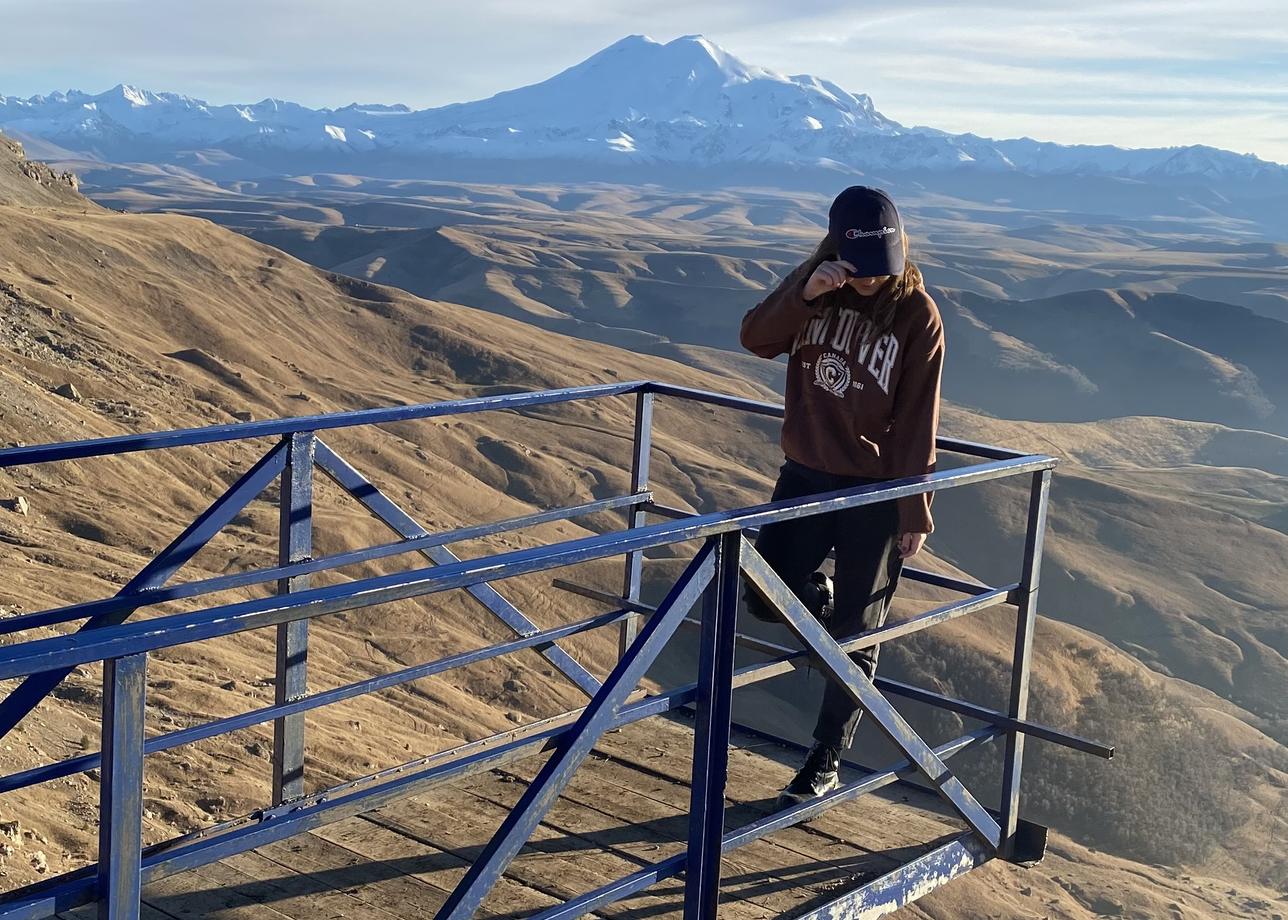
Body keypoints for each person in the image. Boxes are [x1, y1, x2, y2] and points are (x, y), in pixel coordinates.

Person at [738, 185, 945, 806]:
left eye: (880, 269)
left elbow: (915, 420)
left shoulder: (917, 315)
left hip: (875, 492)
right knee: (762, 593)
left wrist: (915, 509)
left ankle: (823, 761)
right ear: (835, 252)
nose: (868, 283)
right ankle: (815, 599)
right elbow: (754, 337)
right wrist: (806, 294)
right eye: (858, 270)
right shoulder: (813, 288)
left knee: (859, 631)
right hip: (804, 473)